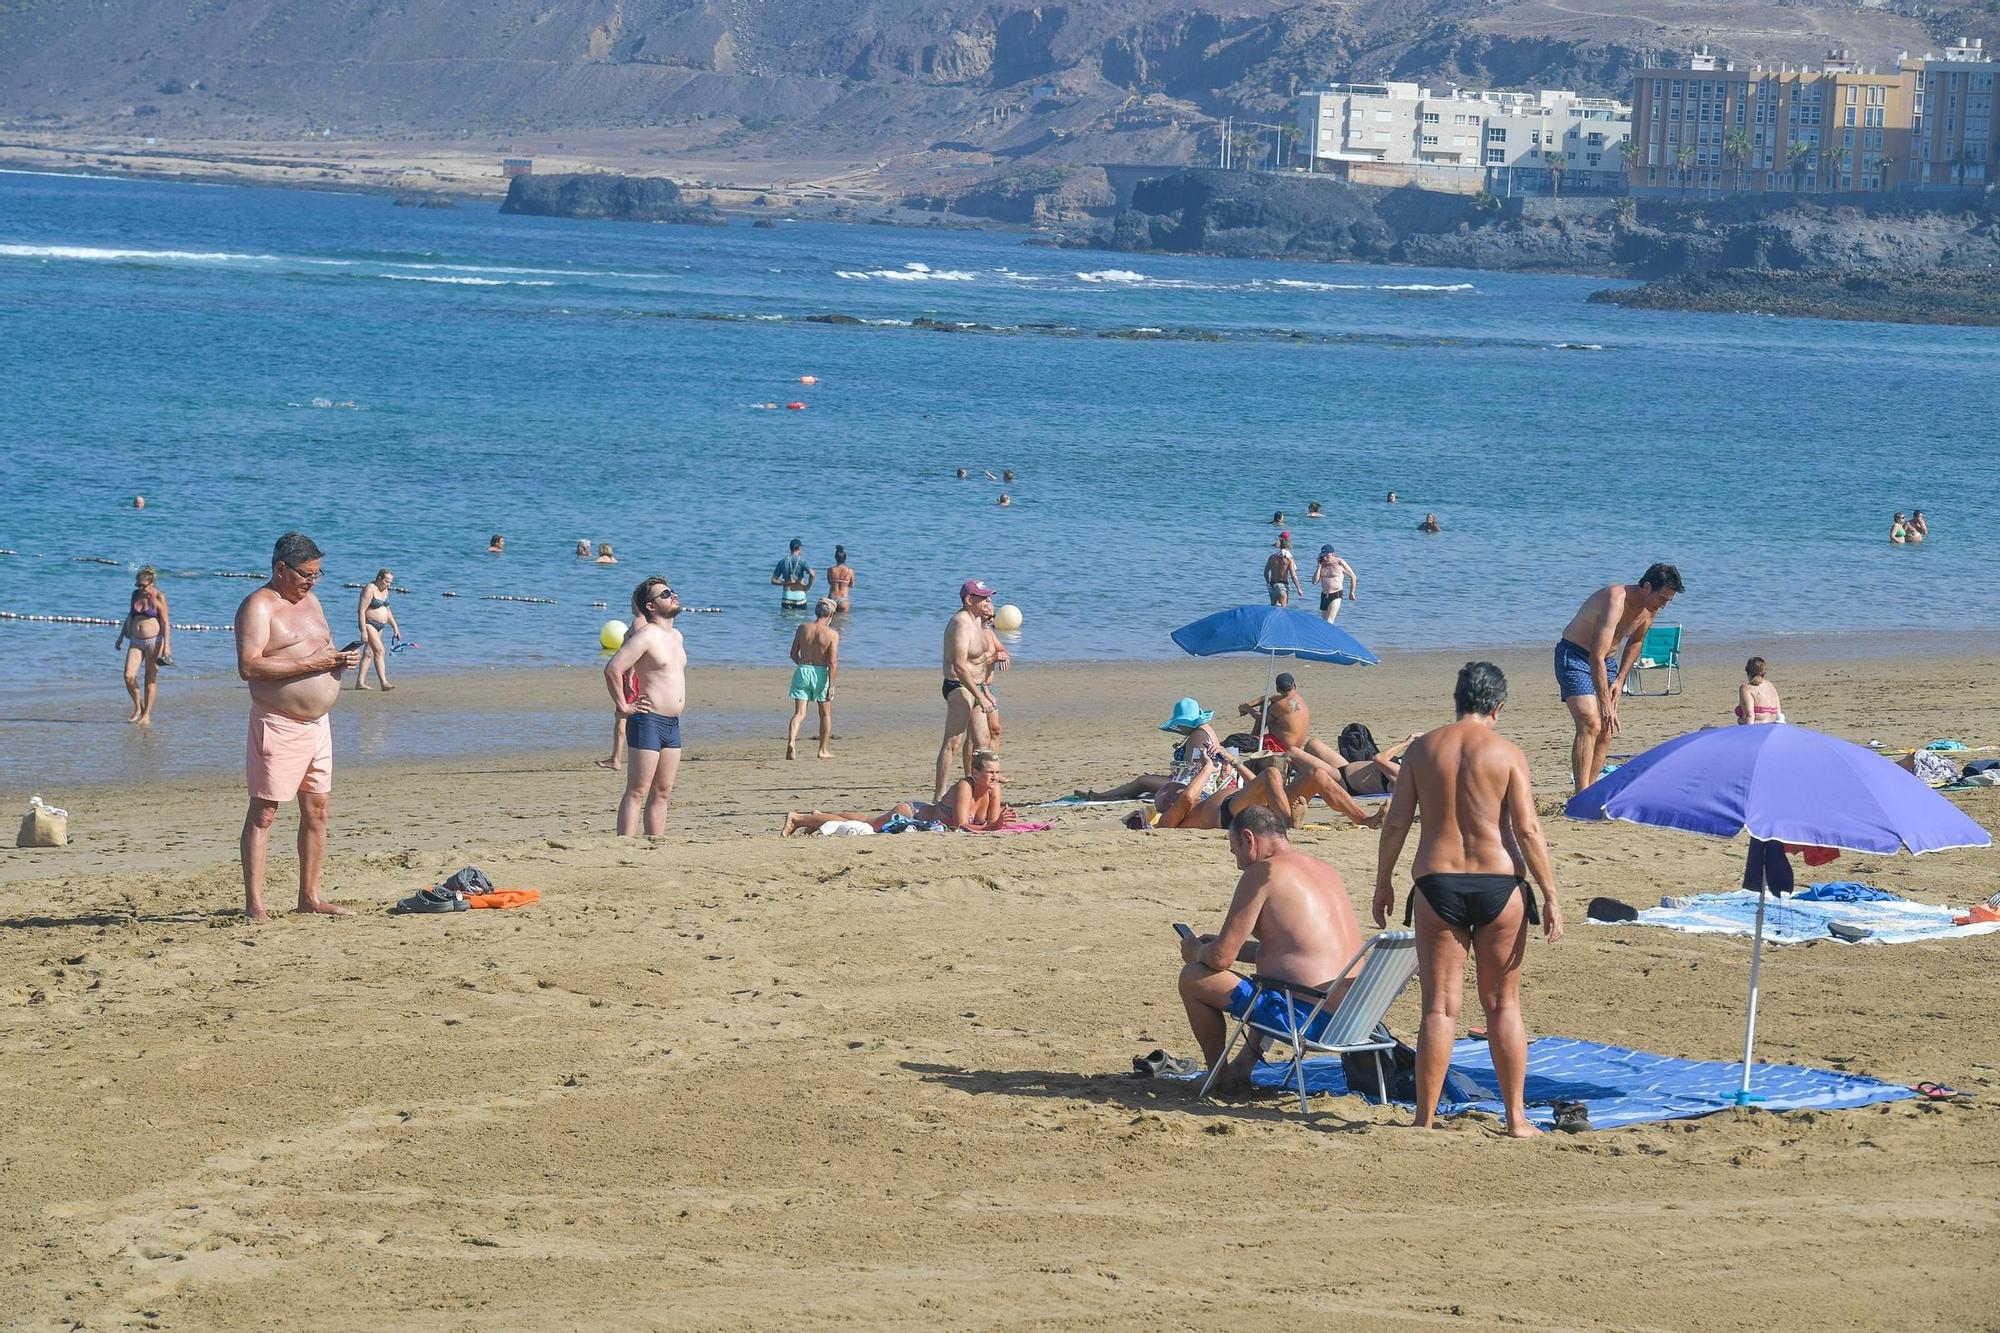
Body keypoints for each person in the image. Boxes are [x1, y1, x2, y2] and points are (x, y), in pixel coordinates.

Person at [1372, 662, 1562, 1137]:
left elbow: (1396, 822)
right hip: (1500, 885)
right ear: (1497, 707)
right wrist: (1551, 894)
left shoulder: (1421, 750)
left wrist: (1383, 881)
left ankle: (1424, 1118)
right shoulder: (1507, 753)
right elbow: (1528, 829)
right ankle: (1516, 1119)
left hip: (1437, 884)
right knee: (1503, 1006)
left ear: (1457, 700)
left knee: (1439, 1008)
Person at [1177, 805, 1365, 1091]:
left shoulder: (1263, 873)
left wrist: (1196, 950)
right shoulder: (1323, 868)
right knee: (1269, 980)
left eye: (1235, 851)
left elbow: (1219, 959)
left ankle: (1219, 1074)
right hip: (1359, 1016)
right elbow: (1294, 951)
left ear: (1248, 839)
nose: (1239, 863)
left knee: (1193, 977)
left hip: (1311, 1020)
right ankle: (1243, 1068)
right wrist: (1232, 947)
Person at [234, 532, 360, 919]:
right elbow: (249, 666)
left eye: (317, 575)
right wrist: (314, 666)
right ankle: (255, 905)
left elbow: (319, 649)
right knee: (265, 812)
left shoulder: (312, 601)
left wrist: (337, 660)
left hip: (318, 725)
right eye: (306, 574)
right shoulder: (258, 607)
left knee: (318, 809)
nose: (312, 582)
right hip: (279, 723)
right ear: (280, 569)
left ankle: (310, 897)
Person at [1557, 562, 1685, 792]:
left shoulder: (1650, 609)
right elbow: (1595, 656)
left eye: (1668, 601)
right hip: (1575, 655)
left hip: (1607, 662)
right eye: (1662, 599)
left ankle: (1590, 791)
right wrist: (1605, 703)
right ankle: (1580, 794)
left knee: (1606, 730)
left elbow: (1635, 642)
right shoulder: (1616, 600)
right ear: (1647, 586)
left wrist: (1620, 680)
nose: (1664, 605)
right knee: (1590, 722)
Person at [604, 575, 687, 835]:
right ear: (650, 606)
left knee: (663, 791)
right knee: (637, 790)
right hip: (648, 720)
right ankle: (624, 846)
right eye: (664, 594)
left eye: (671, 591)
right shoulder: (646, 635)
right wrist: (624, 706)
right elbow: (613, 669)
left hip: (672, 724)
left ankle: (655, 845)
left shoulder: (676, 636)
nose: (672, 595)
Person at [785, 750, 1016, 835]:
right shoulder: (965, 787)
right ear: (975, 773)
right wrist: (990, 827)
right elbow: (960, 825)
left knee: (867, 820)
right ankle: (799, 818)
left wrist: (998, 823)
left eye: (997, 772)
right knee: (870, 826)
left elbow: (993, 824)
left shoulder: (994, 790)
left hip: (922, 813)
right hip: (912, 813)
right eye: (989, 773)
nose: (995, 777)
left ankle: (819, 814)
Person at [1071, 697, 1225, 803]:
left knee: (1142, 781)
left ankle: (1099, 797)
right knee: (1149, 780)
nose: (1179, 728)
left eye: (1181, 724)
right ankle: (1105, 795)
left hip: (1197, 786)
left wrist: (1170, 779)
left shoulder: (1198, 736)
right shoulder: (1204, 730)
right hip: (1202, 782)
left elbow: (1192, 770)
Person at [936, 579, 1001, 801]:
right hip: (959, 686)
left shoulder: (978, 622)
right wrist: (979, 696)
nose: (989, 600)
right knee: (953, 741)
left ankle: (977, 794)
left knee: (982, 746)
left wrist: (986, 689)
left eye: (989, 596)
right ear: (969, 600)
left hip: (977, 687)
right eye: (984, 597)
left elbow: (983, 660)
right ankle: (939, 795)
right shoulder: (961, 623)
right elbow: (959, 665)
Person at [115, 564, 171, 724]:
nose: (140, 588)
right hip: (135, 641)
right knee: (128, 675)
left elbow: (166, 622)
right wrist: (120, 637)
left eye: (143, 585)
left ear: (151, 583)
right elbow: (130, 617)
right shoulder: (135, 595)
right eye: (138, 585)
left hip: (154, 641)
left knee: (150, 679)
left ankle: (147, 715)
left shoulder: (159, 597)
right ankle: (138, 707)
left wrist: (167, 647)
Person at [786, 597, 841, 760]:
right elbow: (832, 661)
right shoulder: (832, 634)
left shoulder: (803, 628)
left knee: (799, 713)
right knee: (824, 714)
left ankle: (792, 742)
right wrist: (831, 685)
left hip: (802, 670)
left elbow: (793, 654)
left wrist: (803, 667)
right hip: (821, 674)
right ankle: (822, 750)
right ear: (831, 614)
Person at [354, 568, 400, 691]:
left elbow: (387, 611)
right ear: (379, 578)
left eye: (390, 582)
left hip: (380, 626)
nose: (388, 585)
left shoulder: (385, 591)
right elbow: (361, 611)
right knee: (380, 651)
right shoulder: (369, 589)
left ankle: (360, 683)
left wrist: (395, 627)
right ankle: (384, 683)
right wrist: (363, 630)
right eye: (386, 581)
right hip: (369, 624)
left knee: (368, 653)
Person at [594, 667, 637, 770]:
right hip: (644, 676)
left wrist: (630, 678)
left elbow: (634, 656)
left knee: (621, 717)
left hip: (632, 675)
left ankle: (616, 759)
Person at [1312, 544, 1358, 624]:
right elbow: (1314, 582)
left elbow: (1353, 576)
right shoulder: (1322, 564)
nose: (1325, 558)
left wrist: (1352, 592)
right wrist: (1319, 567)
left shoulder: (1340, 562)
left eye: (1327, 555)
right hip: (1324, 595)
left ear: (1332, 554)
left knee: (1329, 621)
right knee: (1324, 622)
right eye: (1323, 556)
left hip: (1336, 594)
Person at [1736, 656, 1782, 724]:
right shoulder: (1771, 686)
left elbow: (1750, 716)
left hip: (1758, 727)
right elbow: (1779, 714)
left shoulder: (1746, 688)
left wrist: (1740, 721)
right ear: (1764, 671)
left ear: (1747, 671)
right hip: (1773, 726)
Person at [771, 538, 814, 610]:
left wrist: (785, 583)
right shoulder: (802, 561)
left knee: (786, 620)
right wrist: (808, 587)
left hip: (787, 596)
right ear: (799, 548)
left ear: (790, 548)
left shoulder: (782, 561)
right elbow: (812, 574)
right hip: (800, 595)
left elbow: (773, 580)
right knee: (800, 621)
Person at [1263, 532, 1302, 607]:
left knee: (1273, 610)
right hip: (1282, 586)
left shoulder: (1272, 557)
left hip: (1272, 586)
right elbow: (1293, 575)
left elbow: (1265, 573)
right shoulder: (1289, 559)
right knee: (1283, 611)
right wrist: (1299, 589)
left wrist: (1268, 583)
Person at [827, 545, 856, 611]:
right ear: (845, 558)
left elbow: (830, 582)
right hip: (843, 599)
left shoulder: (830, 569)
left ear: (835, 557)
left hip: (832, 598)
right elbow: (852, 585)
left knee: (831, 620)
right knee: (844, 620)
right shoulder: (850, 571)